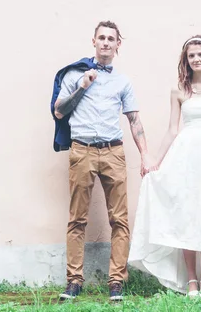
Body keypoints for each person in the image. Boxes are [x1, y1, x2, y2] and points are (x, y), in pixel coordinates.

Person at [128, 35, 201, 297]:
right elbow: (172, 129)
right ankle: (191, 280)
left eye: (200, 55)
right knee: (186, 215)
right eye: (191, 56)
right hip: (185, 156)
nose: (196, 59)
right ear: (186, 59)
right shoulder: (179, 90)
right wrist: (154, 162)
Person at [51, 20, 156, 301]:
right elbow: (59, 112)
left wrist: (145, 154)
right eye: (102, 38)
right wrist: (82, 86)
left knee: (119, 220)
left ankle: (116, 282)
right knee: (77, 220)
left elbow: (134, 120)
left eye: (111, 38)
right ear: (94, 42)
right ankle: (74, 281)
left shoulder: (122, 81)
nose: (106, 42)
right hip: (82, 150)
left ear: (118, 44)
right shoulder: (75, 74)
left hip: (113, 152)